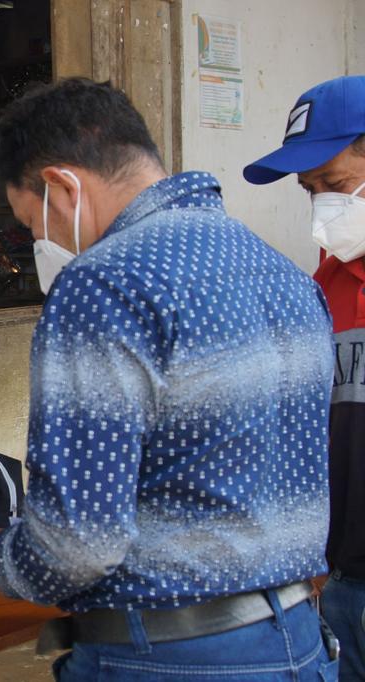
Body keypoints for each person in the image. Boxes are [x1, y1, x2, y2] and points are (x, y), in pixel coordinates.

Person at [0, 78, 337, 680]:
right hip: (298, 642)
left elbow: (78, 543)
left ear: (61, 187)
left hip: (167, 655)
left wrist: (0, 559)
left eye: (32, 226)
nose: (42, 244)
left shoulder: (102, 284)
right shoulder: (282, 270)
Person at [245, 74, 365, 682]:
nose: (324, 205)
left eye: (336, 185)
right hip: (342, 578)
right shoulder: (325, 288)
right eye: (311, 190)